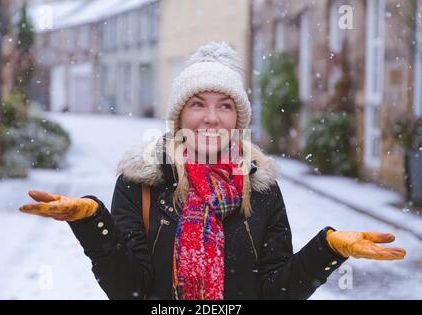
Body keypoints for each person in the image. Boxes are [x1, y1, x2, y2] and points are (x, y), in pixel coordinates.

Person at [20, 42, 406, 300]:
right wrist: (91, 222)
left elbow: (274, 292)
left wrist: (328, 248)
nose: (210, 118)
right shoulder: (141, 182)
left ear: (238, 117)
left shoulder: (261, 187)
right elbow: (129, 290)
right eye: (198, 104)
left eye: (224, 105)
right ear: (178, 115)